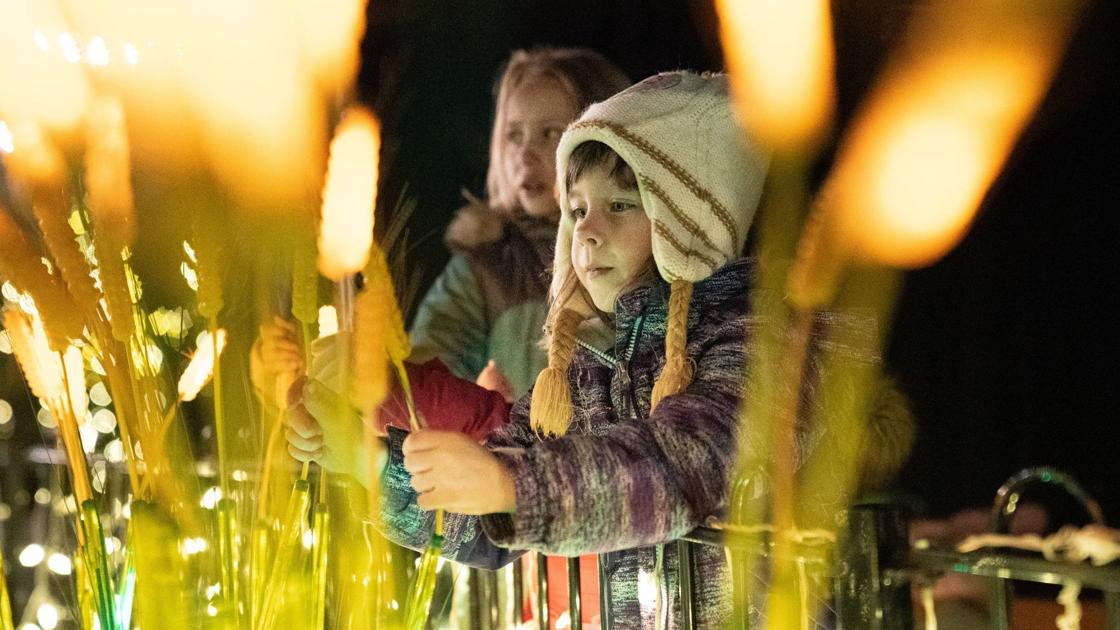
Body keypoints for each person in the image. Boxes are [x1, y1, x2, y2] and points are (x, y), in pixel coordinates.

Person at [289, 71, 773, 628]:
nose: (587, 231)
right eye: (578, 208)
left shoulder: (760, 339)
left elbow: (687, 461)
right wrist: (364, 459)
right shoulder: (592, 371)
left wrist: (509, 484)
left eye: (620, 205)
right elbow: (493, 497)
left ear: (692, 216)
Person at [406, 47, 631, 402]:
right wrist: (478, 412)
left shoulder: (640, 252)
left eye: (551, 134)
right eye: (514, 135)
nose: (525, 154)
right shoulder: (485, 268)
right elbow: (424, 380)